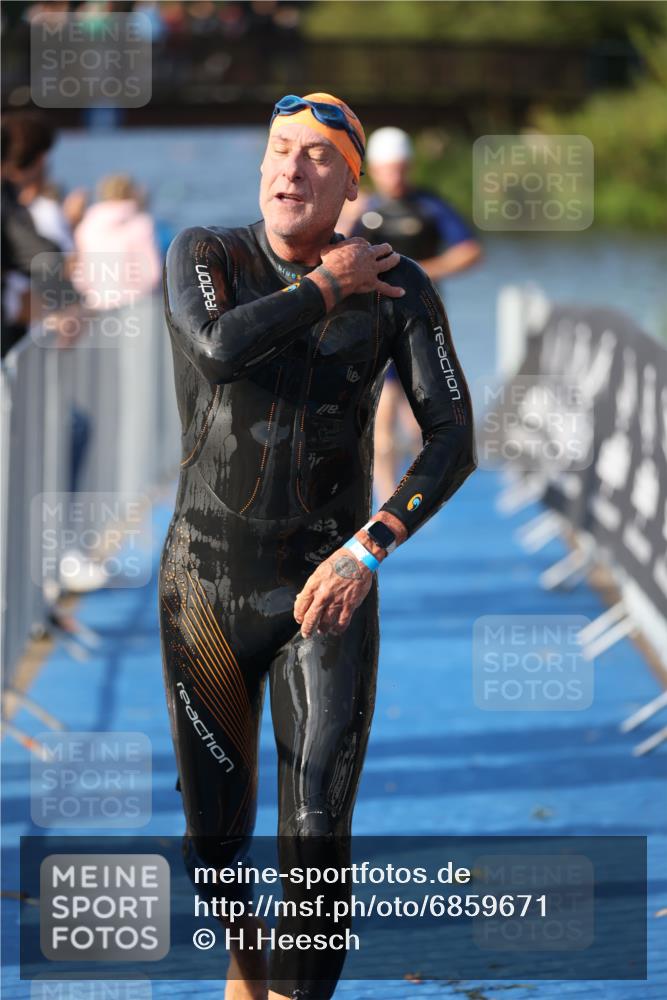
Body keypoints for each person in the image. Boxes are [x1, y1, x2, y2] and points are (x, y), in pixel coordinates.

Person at [159, 92, 476, 1000]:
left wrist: (370, 546)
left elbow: (453, 438)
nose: (288, 170)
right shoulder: (206, 254)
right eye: (277, 150)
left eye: (313, 157)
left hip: (325, 591)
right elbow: (217, 349)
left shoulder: (399, 287)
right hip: (205, 590)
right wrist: (322, 290)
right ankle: (248, 962)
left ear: (350, 182)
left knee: (317, 831)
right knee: (214, 841)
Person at [339, 126, 482, 505]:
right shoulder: (366, 212)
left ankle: (418, 491)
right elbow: (335, 256)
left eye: (400, 168)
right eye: (387, 169)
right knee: (384, 408)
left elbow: (469, 250)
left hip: (423, 317)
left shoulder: (429, 206)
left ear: (410, 167)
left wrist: (424, 269)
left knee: (420, 408)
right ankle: (387, 496)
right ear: (374, 169)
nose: (395, 177)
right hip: (376, 319)